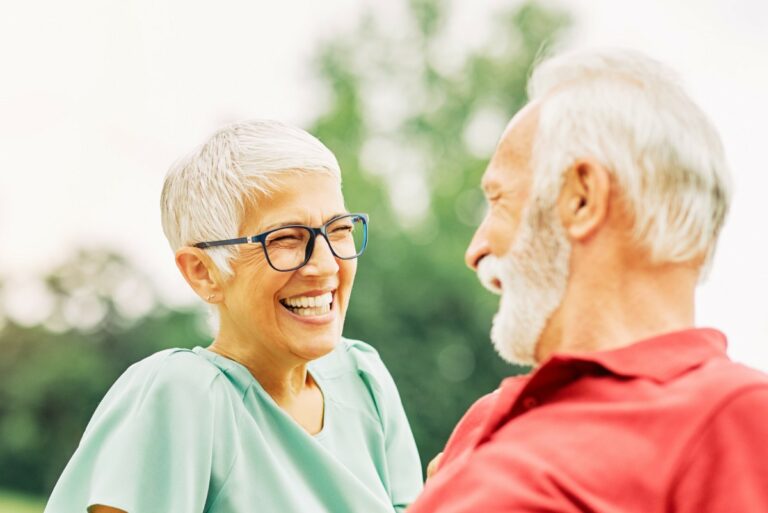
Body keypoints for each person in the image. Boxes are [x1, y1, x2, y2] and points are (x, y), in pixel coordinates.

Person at [409, 49, 768, 512]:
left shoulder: (736, 415)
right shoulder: (483, 420)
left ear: (582, 197)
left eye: (497, 201)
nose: (475, 249)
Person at [44, 120, 422, 513]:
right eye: (286, 239)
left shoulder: (364, 377)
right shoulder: (184, 394)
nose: (326, 265)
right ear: (203, 272)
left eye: (339, 229)